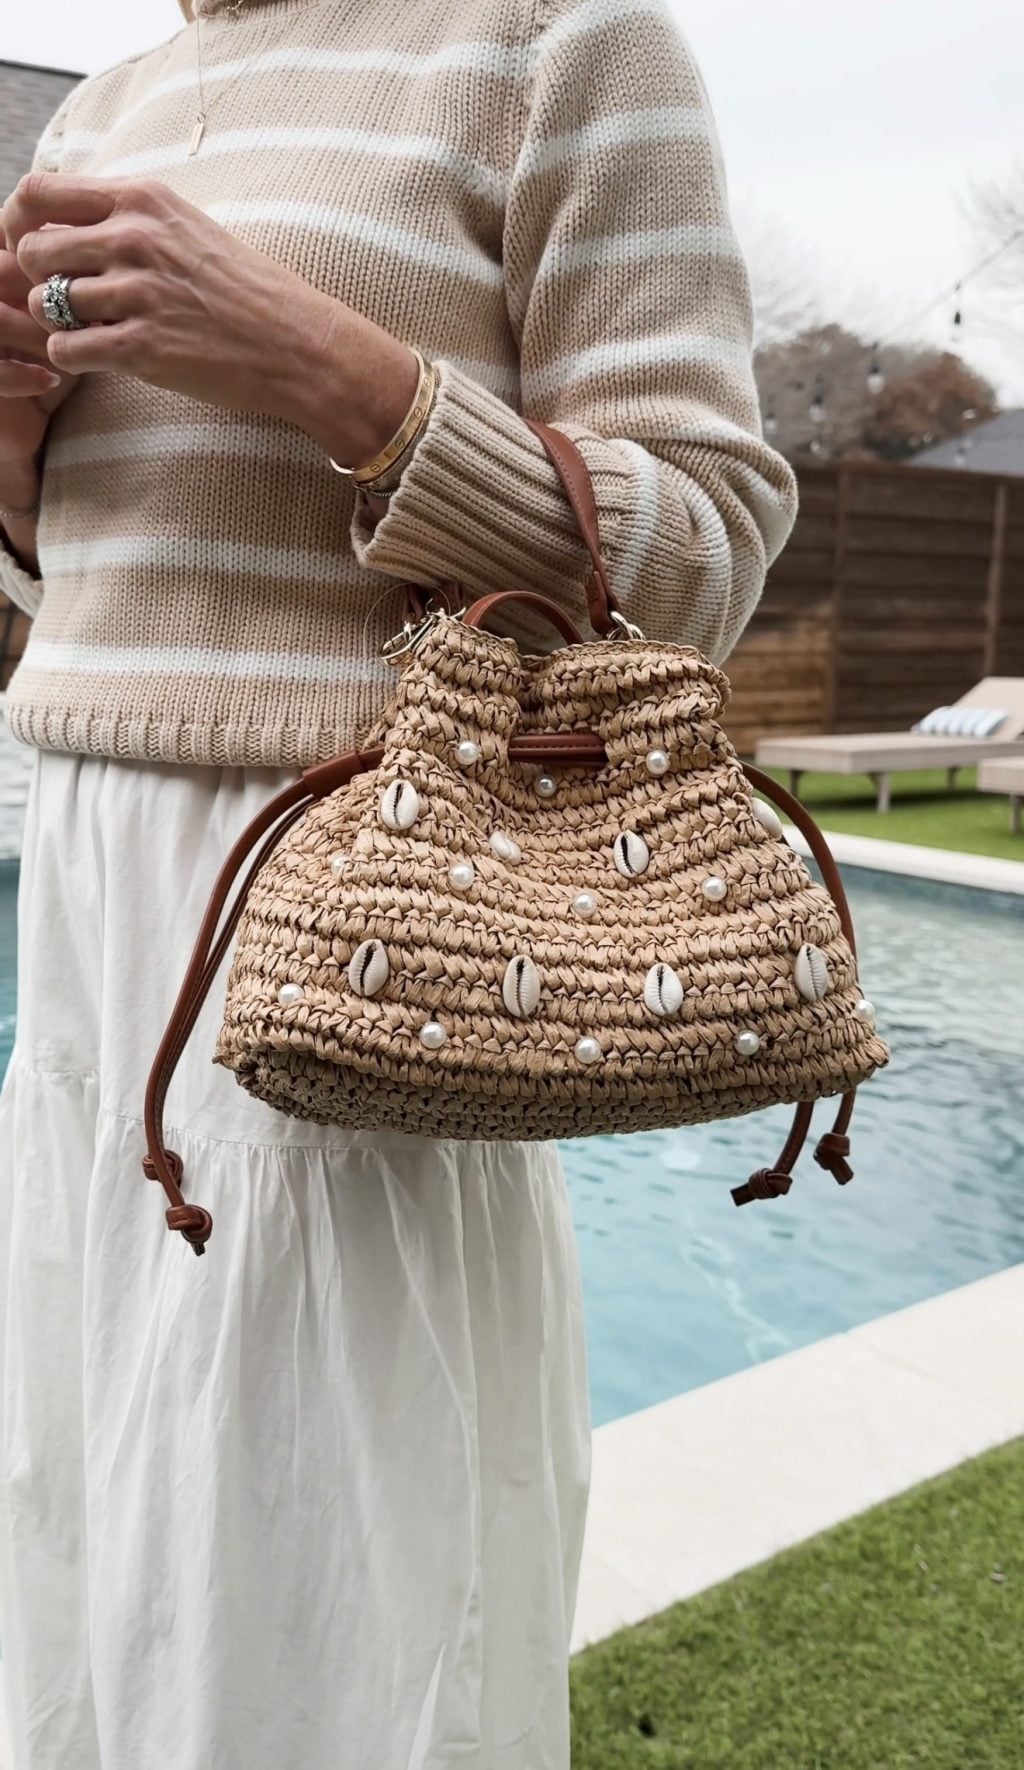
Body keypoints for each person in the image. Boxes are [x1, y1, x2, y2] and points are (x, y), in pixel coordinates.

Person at [0, 0, 797, 1762]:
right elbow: (81, 596)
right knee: (86, 1551)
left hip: (372, 916)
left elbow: (705, 561)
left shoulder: (556, 46)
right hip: (85, 916)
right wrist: (12, 461)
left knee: (323, 1607)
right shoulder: (106, 103)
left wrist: (335, 373)